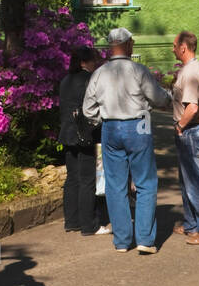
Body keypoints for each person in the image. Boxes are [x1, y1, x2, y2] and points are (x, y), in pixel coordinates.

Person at [82, 27, 171, 254]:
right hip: (138, 125)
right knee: (145, 182)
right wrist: (168, 97)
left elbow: (88, 109)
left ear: (110, 46)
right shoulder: (138, 70)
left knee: (115, 185)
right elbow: (158, 97)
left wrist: (101, 119)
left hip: (110, 127)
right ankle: (144, 239)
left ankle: (122, 240)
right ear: (129, 44)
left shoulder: (99, 73)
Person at [170, 30, 199, 244]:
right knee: (186, 180)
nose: (172, 49)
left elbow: (192, 107)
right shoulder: (195, 68)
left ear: (183, 47)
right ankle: (191, 224)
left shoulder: (190, 72)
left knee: (194, 182)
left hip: (189, 129)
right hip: (193, 129)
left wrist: (180, 126)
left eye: (174, 45)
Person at [58, 46, 109, 236]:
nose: (94, 63)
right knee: (88, 179)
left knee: (72, 178)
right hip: (86, 134)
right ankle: (89, 224)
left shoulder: (65, 81)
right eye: (91, 60)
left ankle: (72, 221)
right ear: (83, 62)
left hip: (68, 134)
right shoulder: (89, 80)